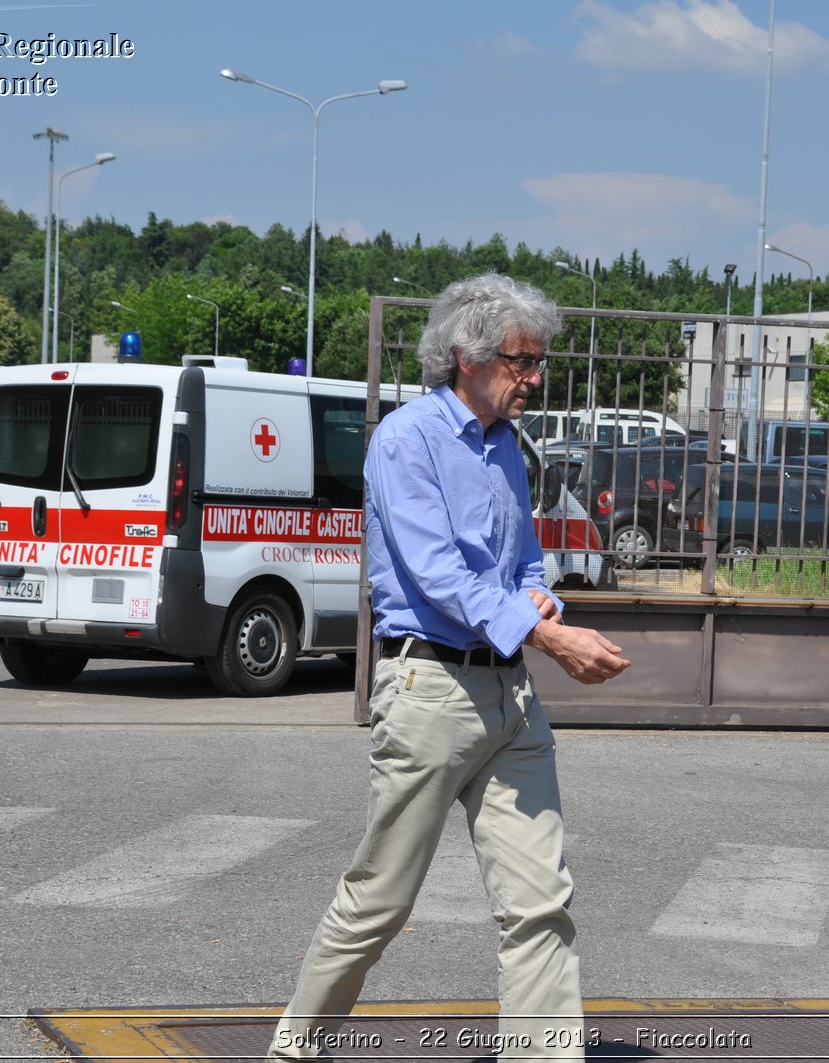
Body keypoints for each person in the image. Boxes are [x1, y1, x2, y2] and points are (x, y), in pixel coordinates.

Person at [267, 273, 631, 1061]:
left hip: (509, 695)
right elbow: (439, 576)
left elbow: (523, 562)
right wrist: (549, 639)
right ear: (466, 356)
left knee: (542, 904)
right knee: (380, 901)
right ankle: (295, 1051)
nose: (533, 377)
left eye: (538, 360)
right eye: (520, 359)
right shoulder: (407, 441)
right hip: (430, 688)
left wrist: (544, 608)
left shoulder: (506, 447)